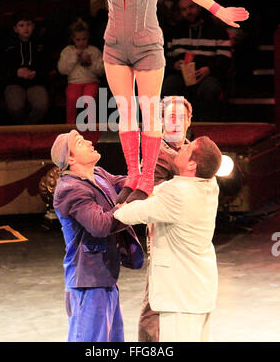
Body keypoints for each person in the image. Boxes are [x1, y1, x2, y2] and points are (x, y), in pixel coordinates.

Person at [0, 0, 248, 204]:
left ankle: (147, 177)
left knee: (148, 110)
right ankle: (132, 174)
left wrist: (219, 11)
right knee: (126, 112)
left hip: (147, 46)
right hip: (115, 45)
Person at [114, 135, 222, 342]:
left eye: (188, 148)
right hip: (199, 290)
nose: (182, 147)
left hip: (181, 297)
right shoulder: (209, 183)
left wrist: (117, 207)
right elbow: (159, 190)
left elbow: (130, 214)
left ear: (192, 164)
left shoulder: (179, 193)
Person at [50, 129, 144, 342]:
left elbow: (127, 183)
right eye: (81, 143)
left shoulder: (99, 174)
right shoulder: (70, 189)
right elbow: (100, 225)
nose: (90, 142)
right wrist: (131, 206)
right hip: (88, 280)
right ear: (71, 158)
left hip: (105, 275)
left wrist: (149, 183)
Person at [138, 95, 192, 342]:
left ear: (190, 121)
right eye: (171, 117)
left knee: (182, 298)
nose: (177, 122)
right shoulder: (156, 153)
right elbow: (152, 194)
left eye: (182, 117)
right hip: (164, 236)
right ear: (160, 121)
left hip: (189, 237)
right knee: (157, 300)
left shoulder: (193, 149)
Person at [162, 0, 232, 121]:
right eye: (184, 9)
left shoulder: (217, 30)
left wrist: (209, 69)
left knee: (210, 88)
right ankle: (174, 129)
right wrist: (174, 64)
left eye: (191, 7)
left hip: (208, 75)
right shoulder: (174, 32)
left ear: (199, 7)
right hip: (180, 75)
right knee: (169, 85)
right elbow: (164, 58)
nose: (188, 12)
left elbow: (225, 59)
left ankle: (207, 129)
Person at [2, 10, 50, 125]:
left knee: (41, 105)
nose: (26, 28)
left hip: (36, 82)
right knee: (15, 107)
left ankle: (28, 127)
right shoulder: (8, 46)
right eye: (21, 25)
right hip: (14, 82)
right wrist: (16, 72)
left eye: (28, 24)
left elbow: (48, 65)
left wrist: (36, 73)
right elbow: (1, 67)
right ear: (15, 29)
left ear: (33, 26)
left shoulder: (41, 44)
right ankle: (22, 128)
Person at [57, 19, 104, 124]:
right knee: (71, 98)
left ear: (88, 38)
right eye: (78, 40)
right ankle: (70, 125)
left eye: (84, 39)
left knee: (89, 98)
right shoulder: (67, 51)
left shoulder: (94, 51)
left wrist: (90, 62)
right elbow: (62, 70)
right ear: (72, 39)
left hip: (91, 82)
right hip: (74, 83)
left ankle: (91, 125)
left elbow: (102, 71)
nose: (81, 42)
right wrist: (74, 58)